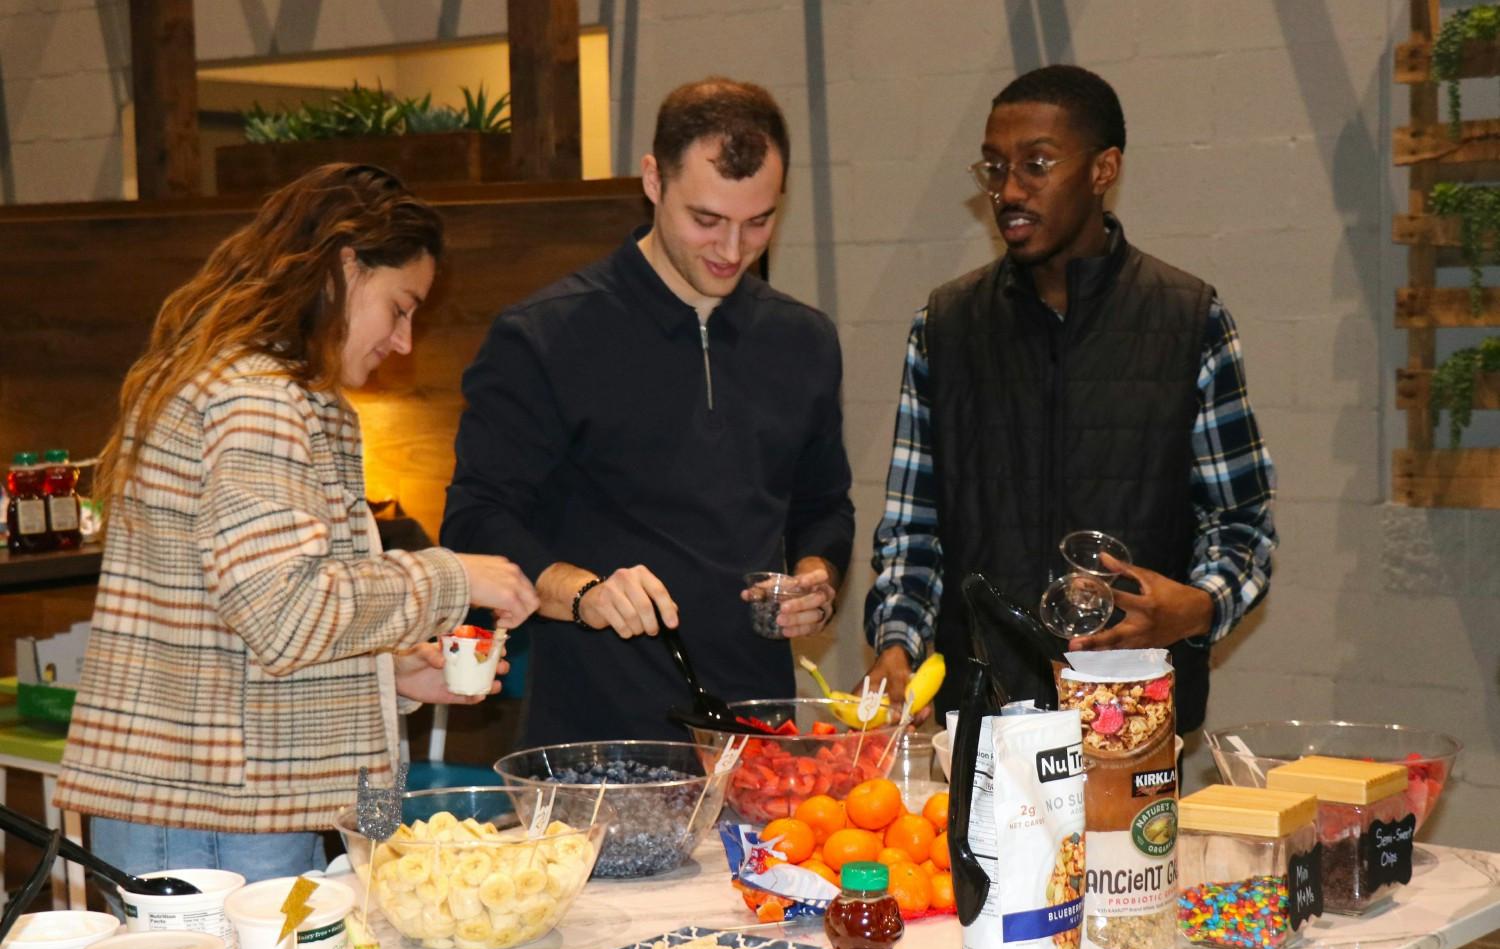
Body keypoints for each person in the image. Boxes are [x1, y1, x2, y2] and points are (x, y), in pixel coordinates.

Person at [55, 164, 540, 881]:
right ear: (345, 266)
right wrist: (454, 575)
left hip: (238, 804)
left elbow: (252, 626)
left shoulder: (275, 392)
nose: (404, 341)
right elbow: (283, 610)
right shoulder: (255, 399)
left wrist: (393, 675)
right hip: (216, 816)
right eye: (400, 307)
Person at [863, 65, 1276, 733]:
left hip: (1131, 713)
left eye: (1037, 165)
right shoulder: (944, 326)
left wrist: (1198, 608)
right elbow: (914, 530)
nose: (1009, 191)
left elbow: (1241, 522)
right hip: (983, 722)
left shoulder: (1189, 319)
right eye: (995, 168)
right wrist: (896, 645)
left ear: (1103, 169)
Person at [442, 78, 855, 746]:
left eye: (758, 222)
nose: (731, 250)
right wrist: (584, 593)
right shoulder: (547, 335)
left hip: (756, 732)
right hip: (595, 734)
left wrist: (816, 576)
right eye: (707, 220)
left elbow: (824, 506)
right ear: (653, 180)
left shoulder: (802, 340)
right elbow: (475, 520)